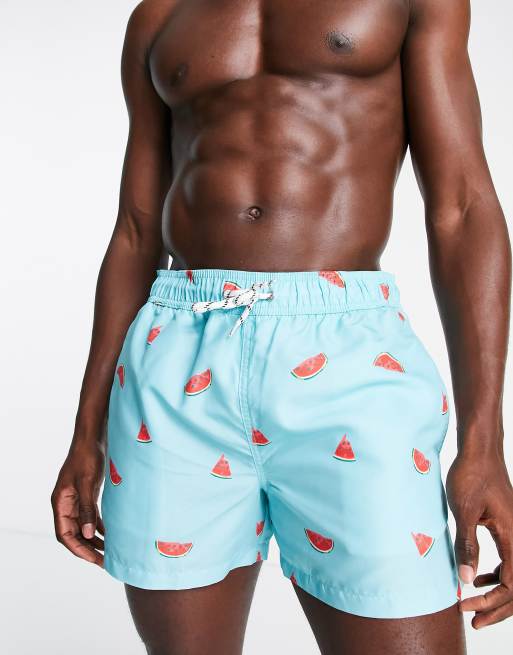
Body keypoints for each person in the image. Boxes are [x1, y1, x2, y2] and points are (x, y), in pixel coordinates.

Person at [51, 0, 513, 653]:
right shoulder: (158, 16)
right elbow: (134, 232)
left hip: (348, 353)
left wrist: (484, 444)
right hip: (178, 351)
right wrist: (86, 434)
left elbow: (461, 206)